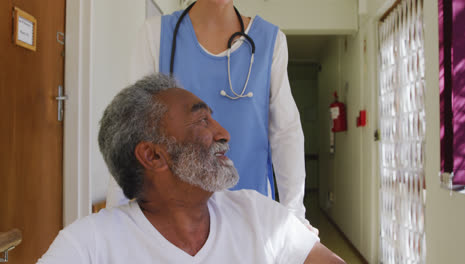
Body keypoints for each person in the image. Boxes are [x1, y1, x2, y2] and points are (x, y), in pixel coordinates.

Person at [38, 74, 342, 264]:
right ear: (154, 156)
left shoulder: (259, 216)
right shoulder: (90, 245)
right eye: (202, 121)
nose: (224, 133)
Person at [107, 0, 309, 226]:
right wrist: (116, 217)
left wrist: (295, 218)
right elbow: (130, 133)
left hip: (252, 218)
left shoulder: (271, 41)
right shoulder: (155, 35)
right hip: (174, 220)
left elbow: (285, 135)